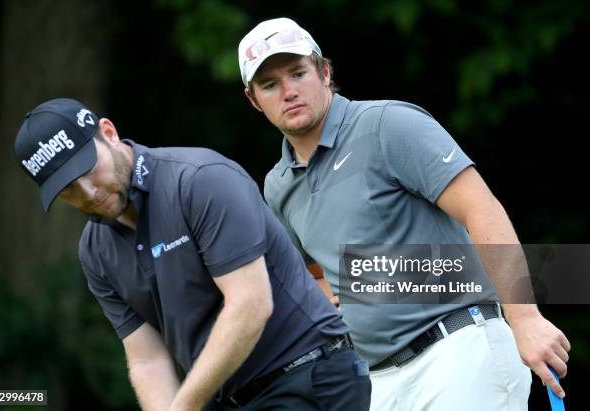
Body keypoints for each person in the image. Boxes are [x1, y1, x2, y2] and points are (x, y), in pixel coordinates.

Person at [238, 17, 571, 411]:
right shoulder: (277, 186)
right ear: (254, 99)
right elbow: (314, 273)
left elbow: (481, 209)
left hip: (459, 350)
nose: (289, 92)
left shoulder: (387, 125)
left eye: (298, 73)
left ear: (324, 72)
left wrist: (526, 319)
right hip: (380, 382)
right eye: (270, 84)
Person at [13, 98, 372, 411]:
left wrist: (184, 405)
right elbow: (147, 358)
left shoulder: (199, 180)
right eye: (68, 190)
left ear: (108, 133)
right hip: (225, 399)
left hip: (308, 376)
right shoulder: (95, 251)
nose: (88, 192)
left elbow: (250, 305)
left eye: (88, 170)